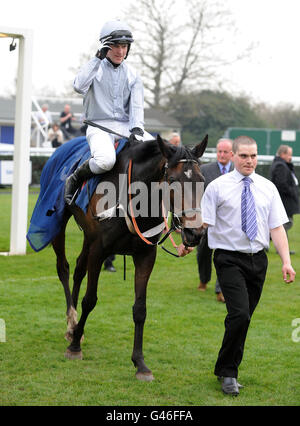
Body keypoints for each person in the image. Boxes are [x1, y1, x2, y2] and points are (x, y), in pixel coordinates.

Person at [199, 135, 295, 396]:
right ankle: (228, 373)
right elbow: (203, 222)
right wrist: (186, 242)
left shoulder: (268, 187)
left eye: (253, 156)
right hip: (228, 258)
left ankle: (226, 368)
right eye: (243, 156)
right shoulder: (217, 187)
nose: (249, 161)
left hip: (259, 261)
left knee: (243, 319)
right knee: (239, 315)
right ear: (233, 156)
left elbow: (276, 227)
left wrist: (286, 262)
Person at [64, 19, 153, 205]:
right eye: (115, 46)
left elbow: (137, 106)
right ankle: (76, 177)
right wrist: (97, 58)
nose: (121, 51)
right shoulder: (93, 68)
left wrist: (137, 129)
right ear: (105, 47)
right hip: (99, 126)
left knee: (159, 152)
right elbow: (78, 87)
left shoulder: (133, 74)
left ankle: (162, 207)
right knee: (105, 161)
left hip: (127, 126)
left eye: (124, 46)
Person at [196, 138, 233, 302]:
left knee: (224, 254)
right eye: (219, 151)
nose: (222, 155)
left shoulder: (237, 172)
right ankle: (204, 280)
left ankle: (221, 290)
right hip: (206, 219)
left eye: (225, 152)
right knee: (203, 252)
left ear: (232, 154)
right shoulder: (204, 170)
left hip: (228, 221)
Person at [270, 145, 300, 253]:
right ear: (282, 154)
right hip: (284, 201)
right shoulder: (280, 166)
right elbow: (281, 184)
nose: (291, 157)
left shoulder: (282, 164)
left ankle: (282, 250)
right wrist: (292, 191)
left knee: (284, 224)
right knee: (285, 224)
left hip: (285, 201)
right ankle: (267, 237)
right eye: (289, 154)